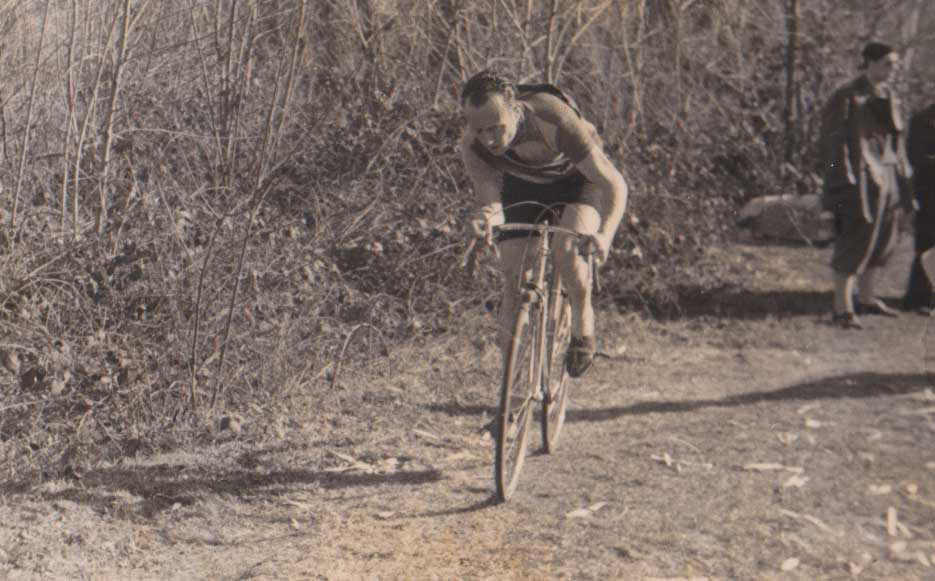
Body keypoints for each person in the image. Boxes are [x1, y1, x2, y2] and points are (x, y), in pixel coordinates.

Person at [459, 71, 628, 377]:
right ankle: (511, 390)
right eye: (480, 130)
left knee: (567, 252)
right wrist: (485, 219)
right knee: (513, 276)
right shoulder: (473, 145)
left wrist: (605, 235)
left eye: (497, 128)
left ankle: (582, 321)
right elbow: (493, 202)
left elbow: (615, 184)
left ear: (515, 107)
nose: (489, 139)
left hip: (576, 181)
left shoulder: (554, 119)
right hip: (524, 185)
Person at [819, 42, 912, 329]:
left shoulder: (888, 95)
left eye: (894, 65)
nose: (892, 70)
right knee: (855, 240)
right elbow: (832, 143)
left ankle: (867, 299)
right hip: (859, 178)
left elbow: (895, 141)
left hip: (887, 176)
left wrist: (902, 177)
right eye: (887, 63)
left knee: (883, 240)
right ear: (869, 62)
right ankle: (842, 309)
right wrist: (841, 181)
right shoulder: (847, 96)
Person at [902, 102, 935, 315]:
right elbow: (915, 157)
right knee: (927, 242)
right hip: (930, 188)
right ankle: (919, 297)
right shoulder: (924, 119)